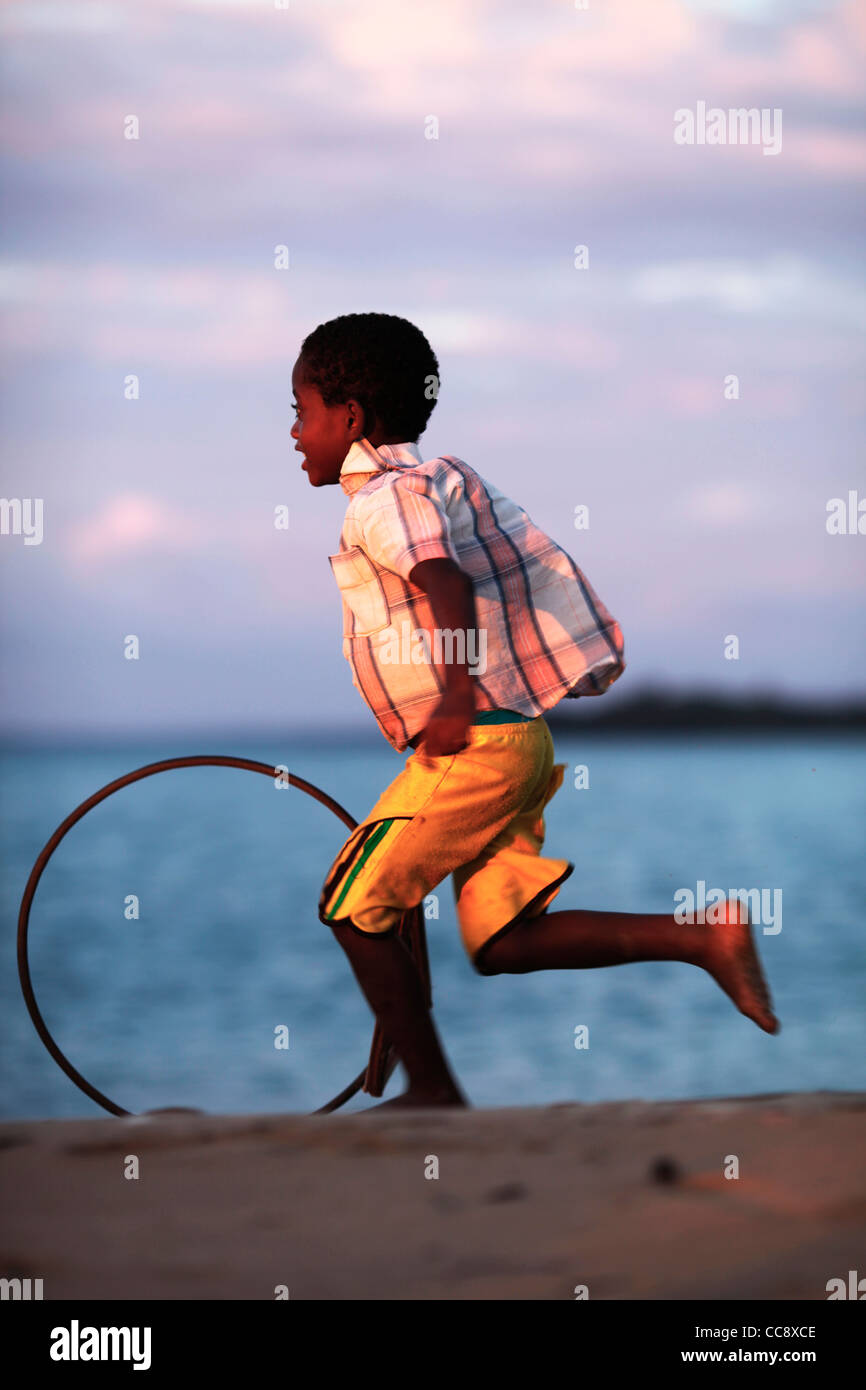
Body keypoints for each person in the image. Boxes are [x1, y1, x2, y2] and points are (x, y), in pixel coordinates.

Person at [292, 312, 778, 1111]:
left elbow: (443, 582)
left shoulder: (384, 500)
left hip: (476, 742)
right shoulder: (436, 483)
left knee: (353, 904)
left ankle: (435, 1091)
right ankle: (703, 937)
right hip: (516, 740)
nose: (293, 432)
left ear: (348, 419)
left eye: (300, 411)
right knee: (502, 940)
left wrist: (450, 696)